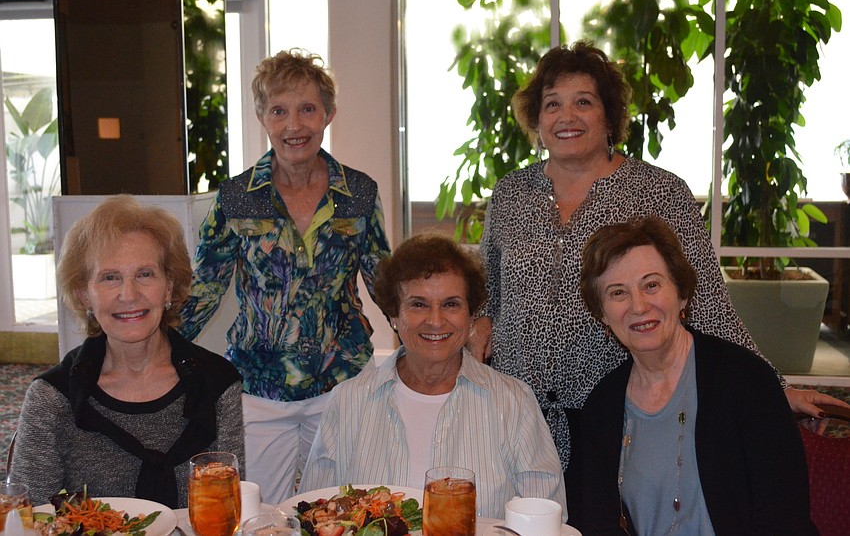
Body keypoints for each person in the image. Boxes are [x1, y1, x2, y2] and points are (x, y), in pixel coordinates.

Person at [470, 40, 844, 514]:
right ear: (537, 121)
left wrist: (772, 386)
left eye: (583, 101)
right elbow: (487, 289)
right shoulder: (510, 194)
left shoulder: (659, 191)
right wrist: (480, 320)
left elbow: (706, 301)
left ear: (609, 116)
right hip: (517, 413)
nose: (567, 116)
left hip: (616, 412)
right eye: (552, 104)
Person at [179, 49, 391, 503]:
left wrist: (427, 344)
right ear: (262, 116)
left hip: (343, 382)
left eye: (307, 109)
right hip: (259, 385)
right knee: (259, 512)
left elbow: (384, 281)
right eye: (279, 111)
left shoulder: (360, 192)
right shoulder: (235, 196)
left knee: (346, 509)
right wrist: (148, 354)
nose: (294, 125)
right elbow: (206, 288)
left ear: (328, 114)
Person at [576, 216, 816, 535]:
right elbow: (592, 519)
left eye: (652, 285)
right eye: (618, 293)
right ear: (603, 314)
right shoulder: (601, 408)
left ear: (682, 293)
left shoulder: (746, 382)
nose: (639, 305)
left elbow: (784, 517)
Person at [300, 234, 567, 520]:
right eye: (419, 304)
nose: (436, 321)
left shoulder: (515, 403)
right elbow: (315, 514)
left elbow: (548, 521)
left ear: (471, 314)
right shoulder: (347, 402)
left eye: (451, 304)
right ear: (393, 314)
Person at [10, 195, 244, 509]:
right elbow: (26, 521)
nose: (128, 294)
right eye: (110, 278)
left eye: (145, 274)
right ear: (84, 296)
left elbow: (227, 510)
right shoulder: (53, 398)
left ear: (169, 288)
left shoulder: (218, 384)